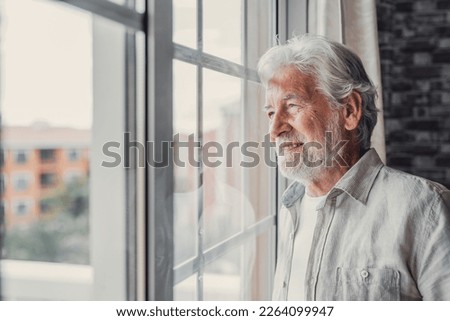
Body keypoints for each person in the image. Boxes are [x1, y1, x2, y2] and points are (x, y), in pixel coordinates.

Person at [257, 34, 450, 301]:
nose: (274, 129)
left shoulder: (425, 208)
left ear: (349, 111)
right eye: (270, 113)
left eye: (292, 106)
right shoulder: (291, 208)